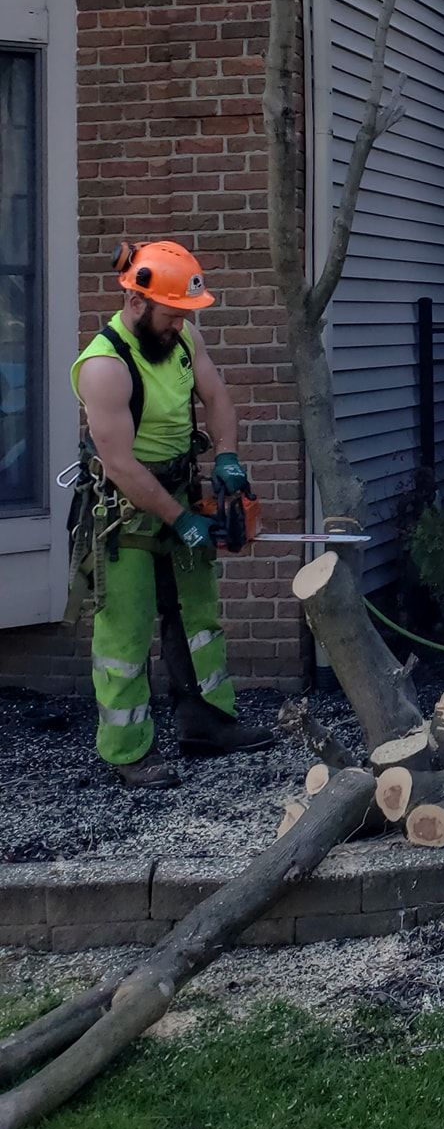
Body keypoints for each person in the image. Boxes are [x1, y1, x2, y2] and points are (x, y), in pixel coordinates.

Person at [71, 239, 274, 788]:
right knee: (126, 632)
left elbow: (217, 397)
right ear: (138, 303)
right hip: (126, 511)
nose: (181, 323)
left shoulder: (184, 337)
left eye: (187, 313)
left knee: (197, 615)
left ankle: (208, 724)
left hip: (180, 485)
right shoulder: (104, 367)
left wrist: (227, 455)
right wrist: (178, 520)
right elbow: (119, 464)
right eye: (172, 313)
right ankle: (126, 751)